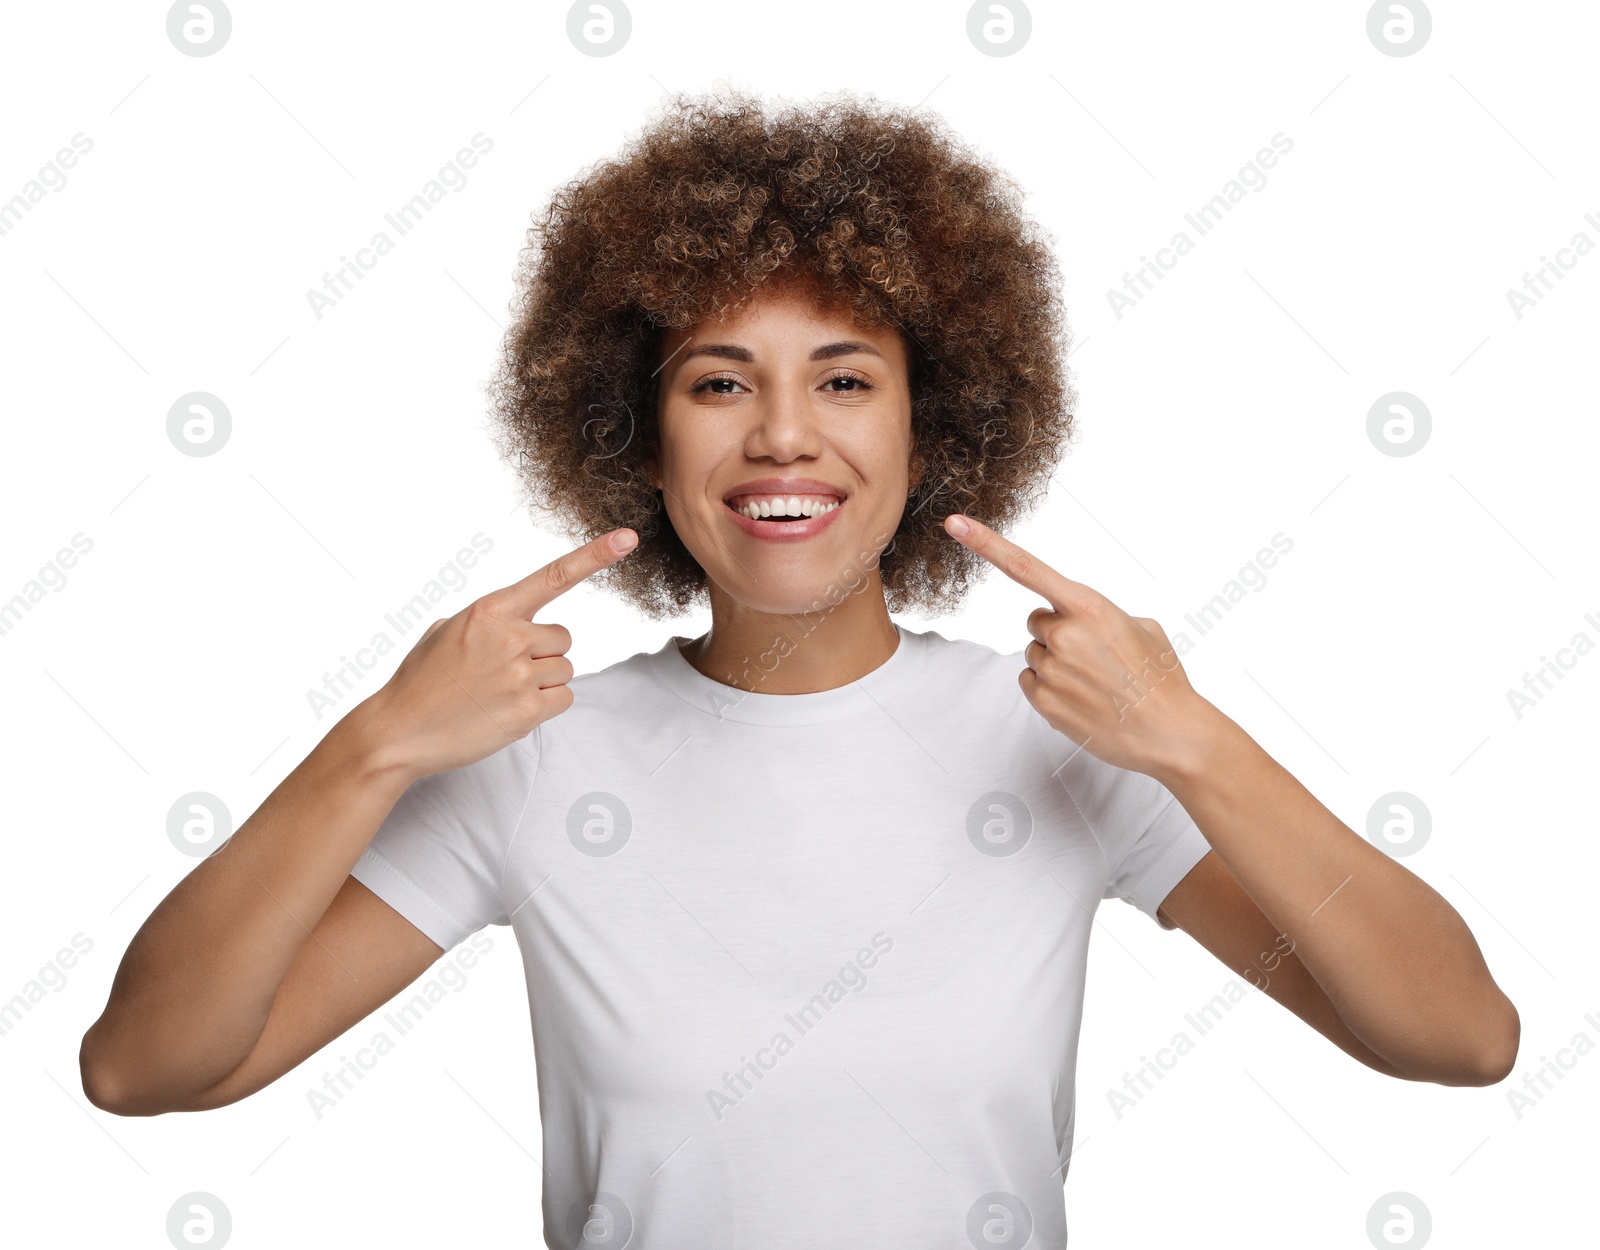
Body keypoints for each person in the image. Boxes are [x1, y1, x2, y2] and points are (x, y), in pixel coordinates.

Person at [80, 87, 1519, 1249]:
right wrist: (375, 746)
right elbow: (145, 1067)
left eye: (843, 377)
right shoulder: (536, 756)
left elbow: (1457, 1037)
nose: (781, 436)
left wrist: (1196, 740)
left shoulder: (1059, 740)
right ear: (640, 440)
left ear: (930, 423)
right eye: (720, 381)